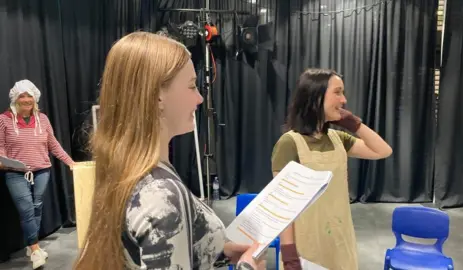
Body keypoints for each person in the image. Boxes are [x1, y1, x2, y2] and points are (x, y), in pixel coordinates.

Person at [73, 32, 265, 270]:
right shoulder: (161, 194)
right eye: (192, 86)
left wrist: (218, 251)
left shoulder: (132, 170)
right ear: (157, 96)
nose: (200, 99)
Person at [271, 69, 393, 270]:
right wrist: (289, 254)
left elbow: (383, 150)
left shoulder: (339, 139)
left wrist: (355, 124)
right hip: (307, 246)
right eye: (337, 92)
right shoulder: (289, 143)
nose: (344, 100)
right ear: (316, 96)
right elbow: (283, 205)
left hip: (340, 240)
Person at [0, 79, 75, 269]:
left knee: (37, 207)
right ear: (15, 99)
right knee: (26, 209)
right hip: (15, 173)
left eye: (29, 96)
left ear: (35, 99)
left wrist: (70, 162)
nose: (26, 99)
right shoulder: (4, 119)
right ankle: (35, 250)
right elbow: (0, 147)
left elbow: (53, 144)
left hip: (42, 170)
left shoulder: (43, 119)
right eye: (22, 96)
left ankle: (31, 244)